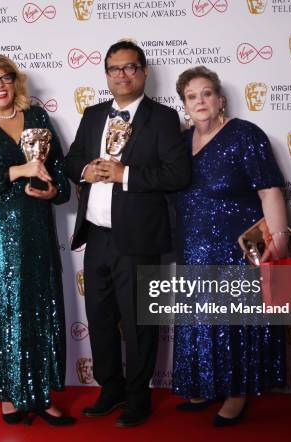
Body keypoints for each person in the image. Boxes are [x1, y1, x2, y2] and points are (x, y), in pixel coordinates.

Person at [64, 40, 190, 427]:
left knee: (138, 323)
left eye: (130, 67)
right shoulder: (93, 113)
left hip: (138, 239)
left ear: (144, 71)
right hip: (97, 236)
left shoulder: (164, 118)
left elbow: (177, 174)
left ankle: (139, 397)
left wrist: (125, 174)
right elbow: (71, 162)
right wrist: (86, 171)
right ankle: (110, 388)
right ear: (106, 74)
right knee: (100, 319)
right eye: (115, 68)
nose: (123, 74)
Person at [0, 54, 74, 426]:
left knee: (36, 308)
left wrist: (53, 189)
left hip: (35, 227)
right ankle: (9, 394)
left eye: (6, 78)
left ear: (15, 82)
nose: (0, 85)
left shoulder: (38, 118)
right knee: (2, 310)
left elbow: (60, 178)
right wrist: (19, 169)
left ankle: (38, 393)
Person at [171, 66, 287, 426]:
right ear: (185, 105)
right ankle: (205, 384)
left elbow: (269, 189)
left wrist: (279, 239)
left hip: (234, 248)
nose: (200, 101)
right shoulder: (179, 142)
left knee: (233, 322)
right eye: (192, 96)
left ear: (220, 99)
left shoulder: (245, 135)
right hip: (192, 245)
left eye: (206, 93)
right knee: (200, 320)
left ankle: (236, 393)